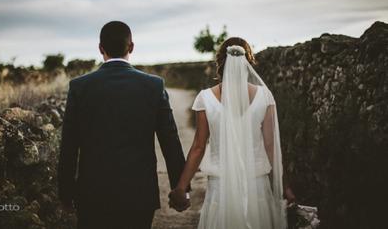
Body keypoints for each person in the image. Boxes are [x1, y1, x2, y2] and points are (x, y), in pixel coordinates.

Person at [57, 21, 190, 229]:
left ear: (101, 48)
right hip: (139, 195)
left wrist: (65, 193)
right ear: (131, 47)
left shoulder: (80, 87)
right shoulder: (153, 86)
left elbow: (69, 145)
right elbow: (170, 140)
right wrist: (181, 187)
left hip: (92, 195)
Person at [168, 37, 295, 228]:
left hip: (221, 188)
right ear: (248, 62)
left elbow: (198, 147)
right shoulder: (264, 96)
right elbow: (271, 147)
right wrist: (285, 187)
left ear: (220, 63)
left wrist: (181, 187)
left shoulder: (206, 98)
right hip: (257, 186)